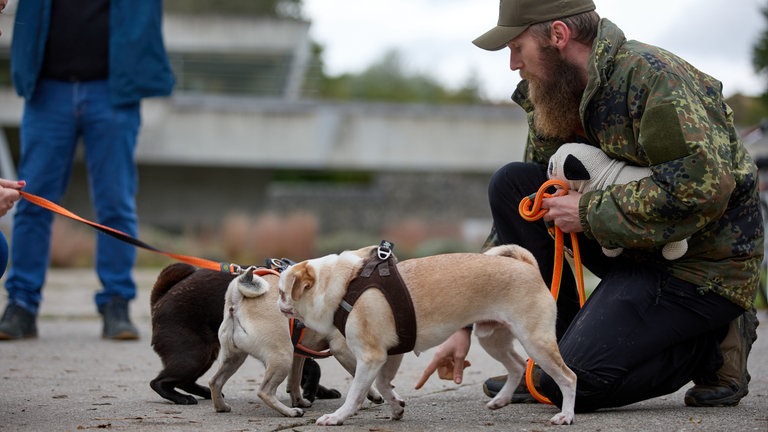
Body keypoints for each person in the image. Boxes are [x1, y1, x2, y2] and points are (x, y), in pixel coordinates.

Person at [415, 0, 761, 411]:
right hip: (631, 247)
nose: (512, 64)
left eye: (516, 48)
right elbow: (533, 200)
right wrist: (467, 315)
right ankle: (552, 355)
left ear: (558, 36)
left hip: (701, 265)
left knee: (579, 384)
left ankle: (713, 345)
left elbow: (701, 190)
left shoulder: (653, 77)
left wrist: (587, 212)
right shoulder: (553, 91)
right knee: (513, 185)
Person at [0, 0, 175, 341]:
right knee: (31, 198)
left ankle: (116, 303)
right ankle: (21, 304)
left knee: (116, 203)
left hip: (113, 89)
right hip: (46, 87)